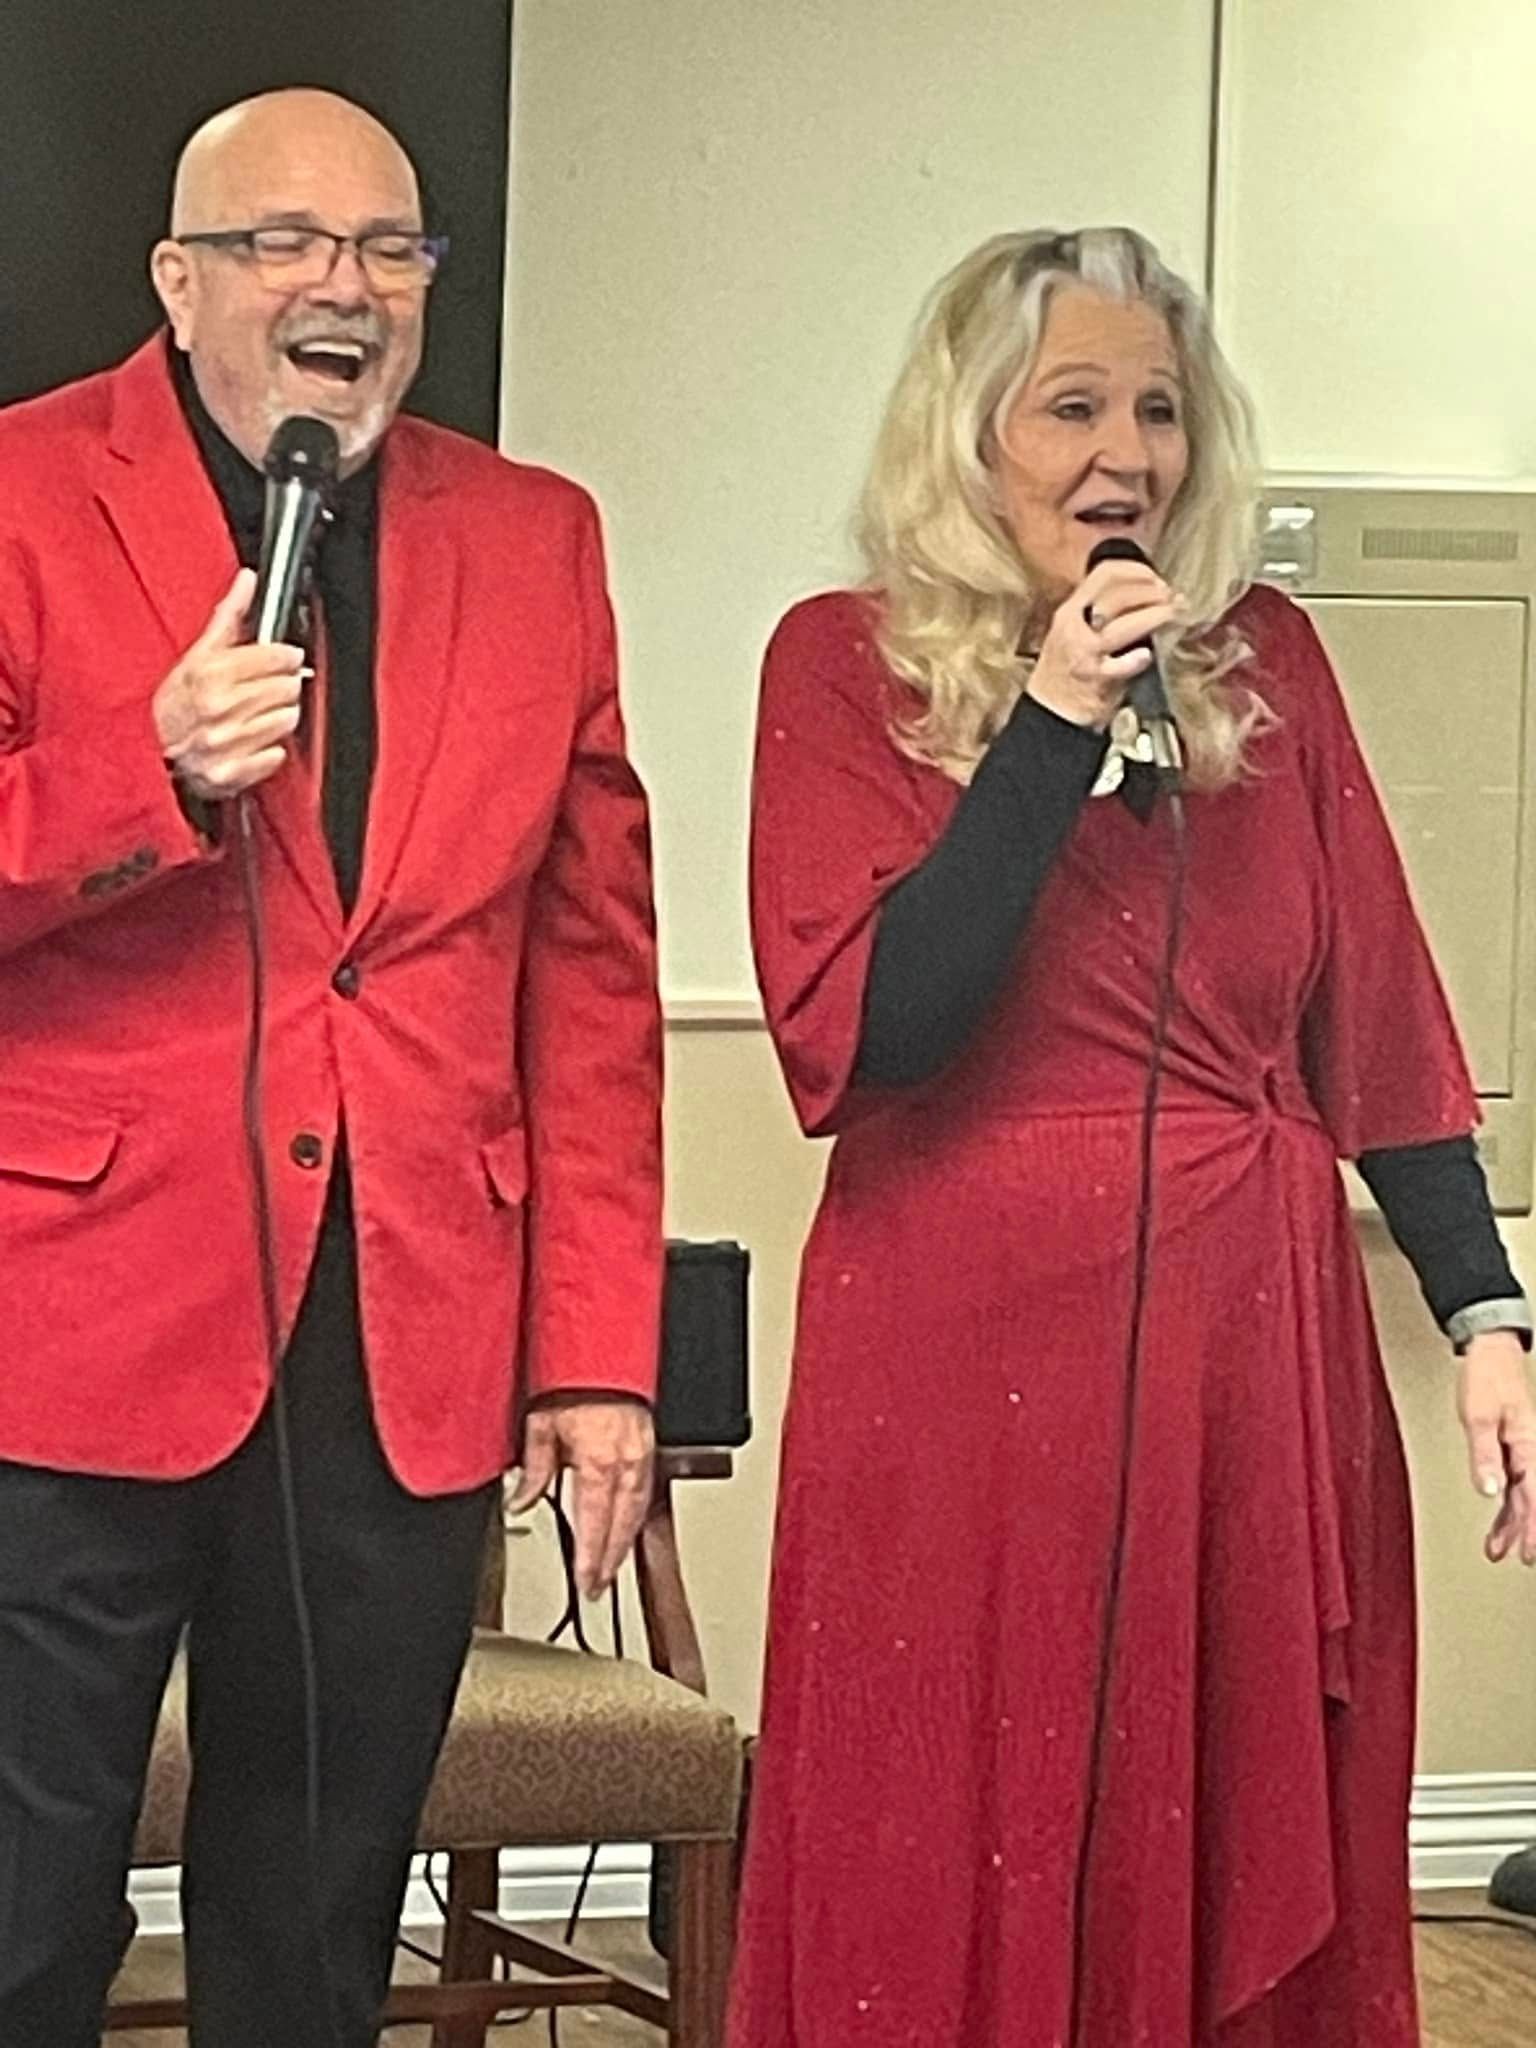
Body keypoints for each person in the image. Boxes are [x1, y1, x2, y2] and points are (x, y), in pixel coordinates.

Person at [731, 226, 1536, 2048]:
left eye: (1159, 411)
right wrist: (1051, 724)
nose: (1127, 457)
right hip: (963, 1367)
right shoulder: (839, 666)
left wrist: (1492, 1315)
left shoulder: (1275, 667)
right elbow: (884, 1028)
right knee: (960, 1811)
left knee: (1246, 1810)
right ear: (969, 435)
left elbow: (1383, 1015)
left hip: (1256, 1359)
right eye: (1072, 405)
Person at [0, 89, 661, 2048]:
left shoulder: (537, 537)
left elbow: (593, 980)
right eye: (289, 245)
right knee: (22, 1913)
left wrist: (599, 1352)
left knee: (312, 1935)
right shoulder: (23, 490)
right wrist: (149, 767)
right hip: (75, 1326)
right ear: (180, 280)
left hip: (404, 1338)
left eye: (390, 250)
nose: (345, 289)